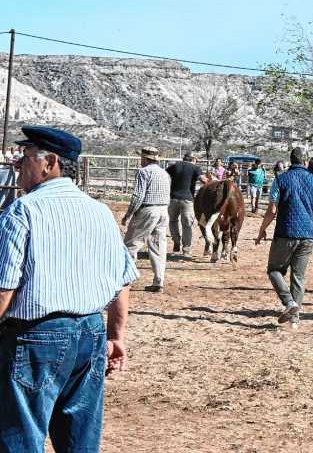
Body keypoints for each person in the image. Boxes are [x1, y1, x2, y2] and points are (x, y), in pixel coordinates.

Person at [0, 126, 137, 452]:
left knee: (20, 436)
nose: (18, 165)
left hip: (36, 338)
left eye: (25, 158)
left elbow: (4, 290)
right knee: (80, 440)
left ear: (50, 163)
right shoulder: (101, 212)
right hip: (90, 334)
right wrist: (116, 337)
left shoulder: (23, 211)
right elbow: (123, 280)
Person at [255, 147, 313, 325]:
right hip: (308, 235)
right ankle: (294, 318)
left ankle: (289, 302)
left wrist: (262, 229)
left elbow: (272, 210)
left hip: (285, 232)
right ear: (306, 162)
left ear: (291, 160)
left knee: (274, 270)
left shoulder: (281, 179)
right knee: (298, 276)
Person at [123, 146, 171, 292]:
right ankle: (158, 281)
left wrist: (129, 214)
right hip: (163, 210)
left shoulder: (143, 172)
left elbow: (138, 196)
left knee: (131, 244)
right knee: (158, 246)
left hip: (148, 209)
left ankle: (125, 279)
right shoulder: (164, 173)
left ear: (144, 158)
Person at [165, 153, 206, 255]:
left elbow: (164, 174)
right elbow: (203, 180)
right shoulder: (195, 168)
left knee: (172, 221)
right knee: (187, 225)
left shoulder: (175, 166)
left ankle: (176, 241)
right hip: (187, 199)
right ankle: (186, 249)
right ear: (193, 159)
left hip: (173, 198)